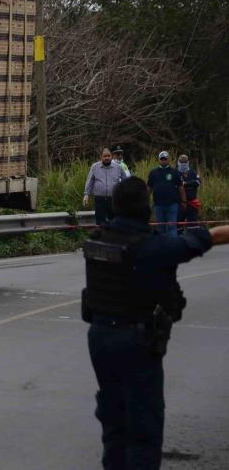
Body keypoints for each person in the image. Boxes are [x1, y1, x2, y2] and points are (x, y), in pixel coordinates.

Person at [82, 176, 229, 470]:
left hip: (99, 339)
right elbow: (207, 238)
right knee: (144, 431)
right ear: (145, 208)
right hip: (136, 341)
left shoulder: (97, 240)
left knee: (114, 424)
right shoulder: (152, 248)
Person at [83, 148, 128, 225]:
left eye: (108, 156)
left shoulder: (118, 167)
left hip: (113, 198)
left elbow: (126, 181)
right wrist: (86, 195)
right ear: (101, 157)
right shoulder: (95, 167)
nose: (107, 158)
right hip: (99, 198)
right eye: (104, 156)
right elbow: (90, 181)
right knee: (100, 221)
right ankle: (101, 236)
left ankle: (113, 236)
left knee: (114, 220)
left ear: (112, 156)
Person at [147, 151, 186, 237]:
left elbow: (181, 187)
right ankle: (163, 248)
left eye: (165, 159)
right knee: (160, 229)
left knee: (172, 228)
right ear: (159, 160)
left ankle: (173, 247)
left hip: (172, 205)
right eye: (162, 159)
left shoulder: (175, 172)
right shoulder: (153, 173)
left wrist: (183, 201)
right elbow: (149, 188)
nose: (163, 161)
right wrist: (145, 201)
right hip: (158, 205)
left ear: (168, 160)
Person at [177, 154, 201, 226]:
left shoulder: (193, 172)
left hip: (192, 203)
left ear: (188, 162)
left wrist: (185, 184)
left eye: (185, 162)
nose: (183, 164)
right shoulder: (175, 173)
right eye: (181, 162)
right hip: (180, 203)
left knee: (193, 224)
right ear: (178, 162)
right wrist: (190, 184)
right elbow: (176, 185)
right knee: (178, 225)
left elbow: (198, 182)